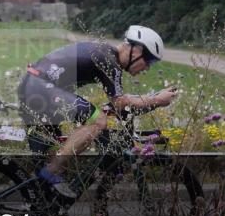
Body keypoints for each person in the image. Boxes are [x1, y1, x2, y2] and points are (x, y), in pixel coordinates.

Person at [17, 25, 177, 199]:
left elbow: (118, 103)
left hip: (35, 86)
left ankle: (43, 211)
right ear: (137, 51)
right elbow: (120, 102)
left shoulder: (106, 55)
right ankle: (52, 170)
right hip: (40, 87)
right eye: (150, 61)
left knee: (50, 161)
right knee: (97, 121)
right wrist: (157, 100)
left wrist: (150, 100)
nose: (147, 68)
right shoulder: (109, 60)